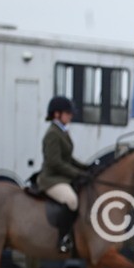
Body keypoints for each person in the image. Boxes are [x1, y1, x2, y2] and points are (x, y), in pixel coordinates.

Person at [37, 95, 89, 253]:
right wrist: (77, 174)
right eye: (68, 113)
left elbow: (68, 158)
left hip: (61, 176)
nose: (71, 116)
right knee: (72, 200)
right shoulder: (52, 133)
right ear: (57, 114)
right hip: (51, 178)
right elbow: (55, 163)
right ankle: (63, 238)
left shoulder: (62, 131)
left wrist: (86, 168)